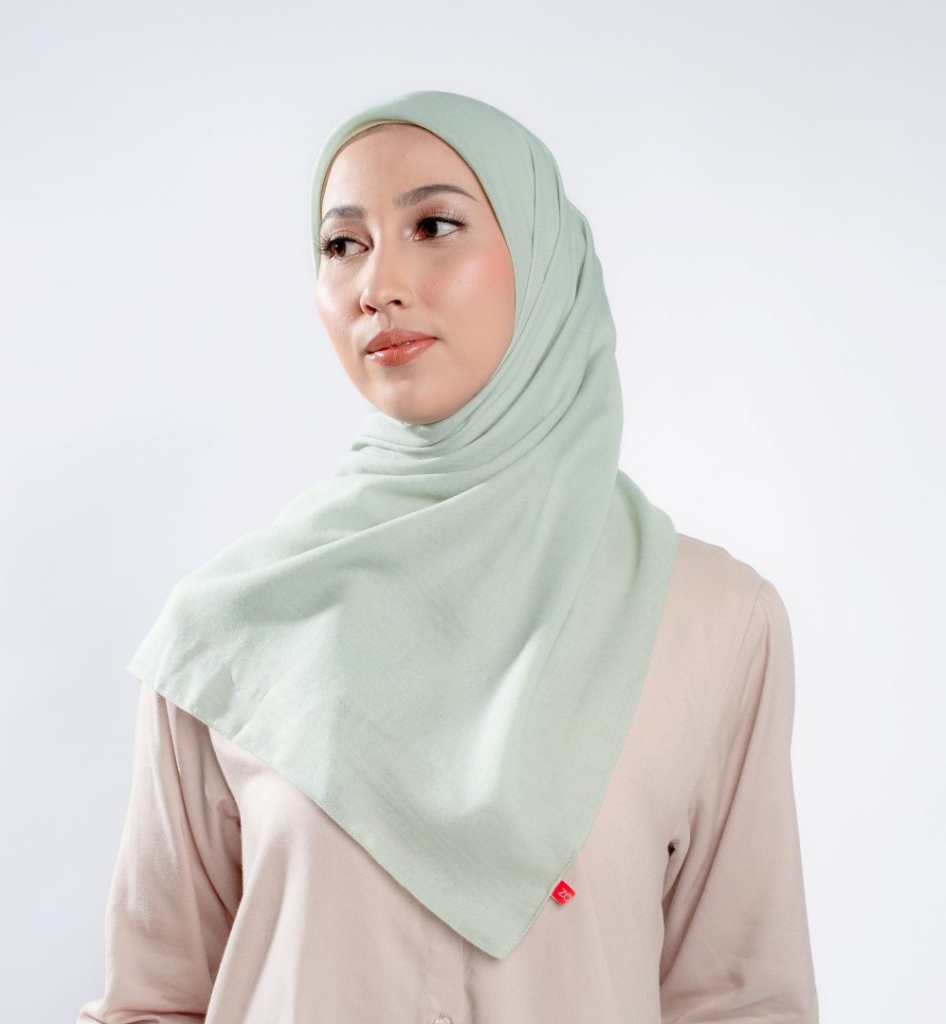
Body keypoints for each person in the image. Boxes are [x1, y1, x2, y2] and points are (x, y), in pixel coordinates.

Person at [77, 91, 818, 1023]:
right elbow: (156, 1001)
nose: (377, 284)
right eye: (342, 244)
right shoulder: (229, 630)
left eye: (432, 226)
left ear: (541, 259)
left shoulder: (712, 621)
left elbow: (742, 1002)